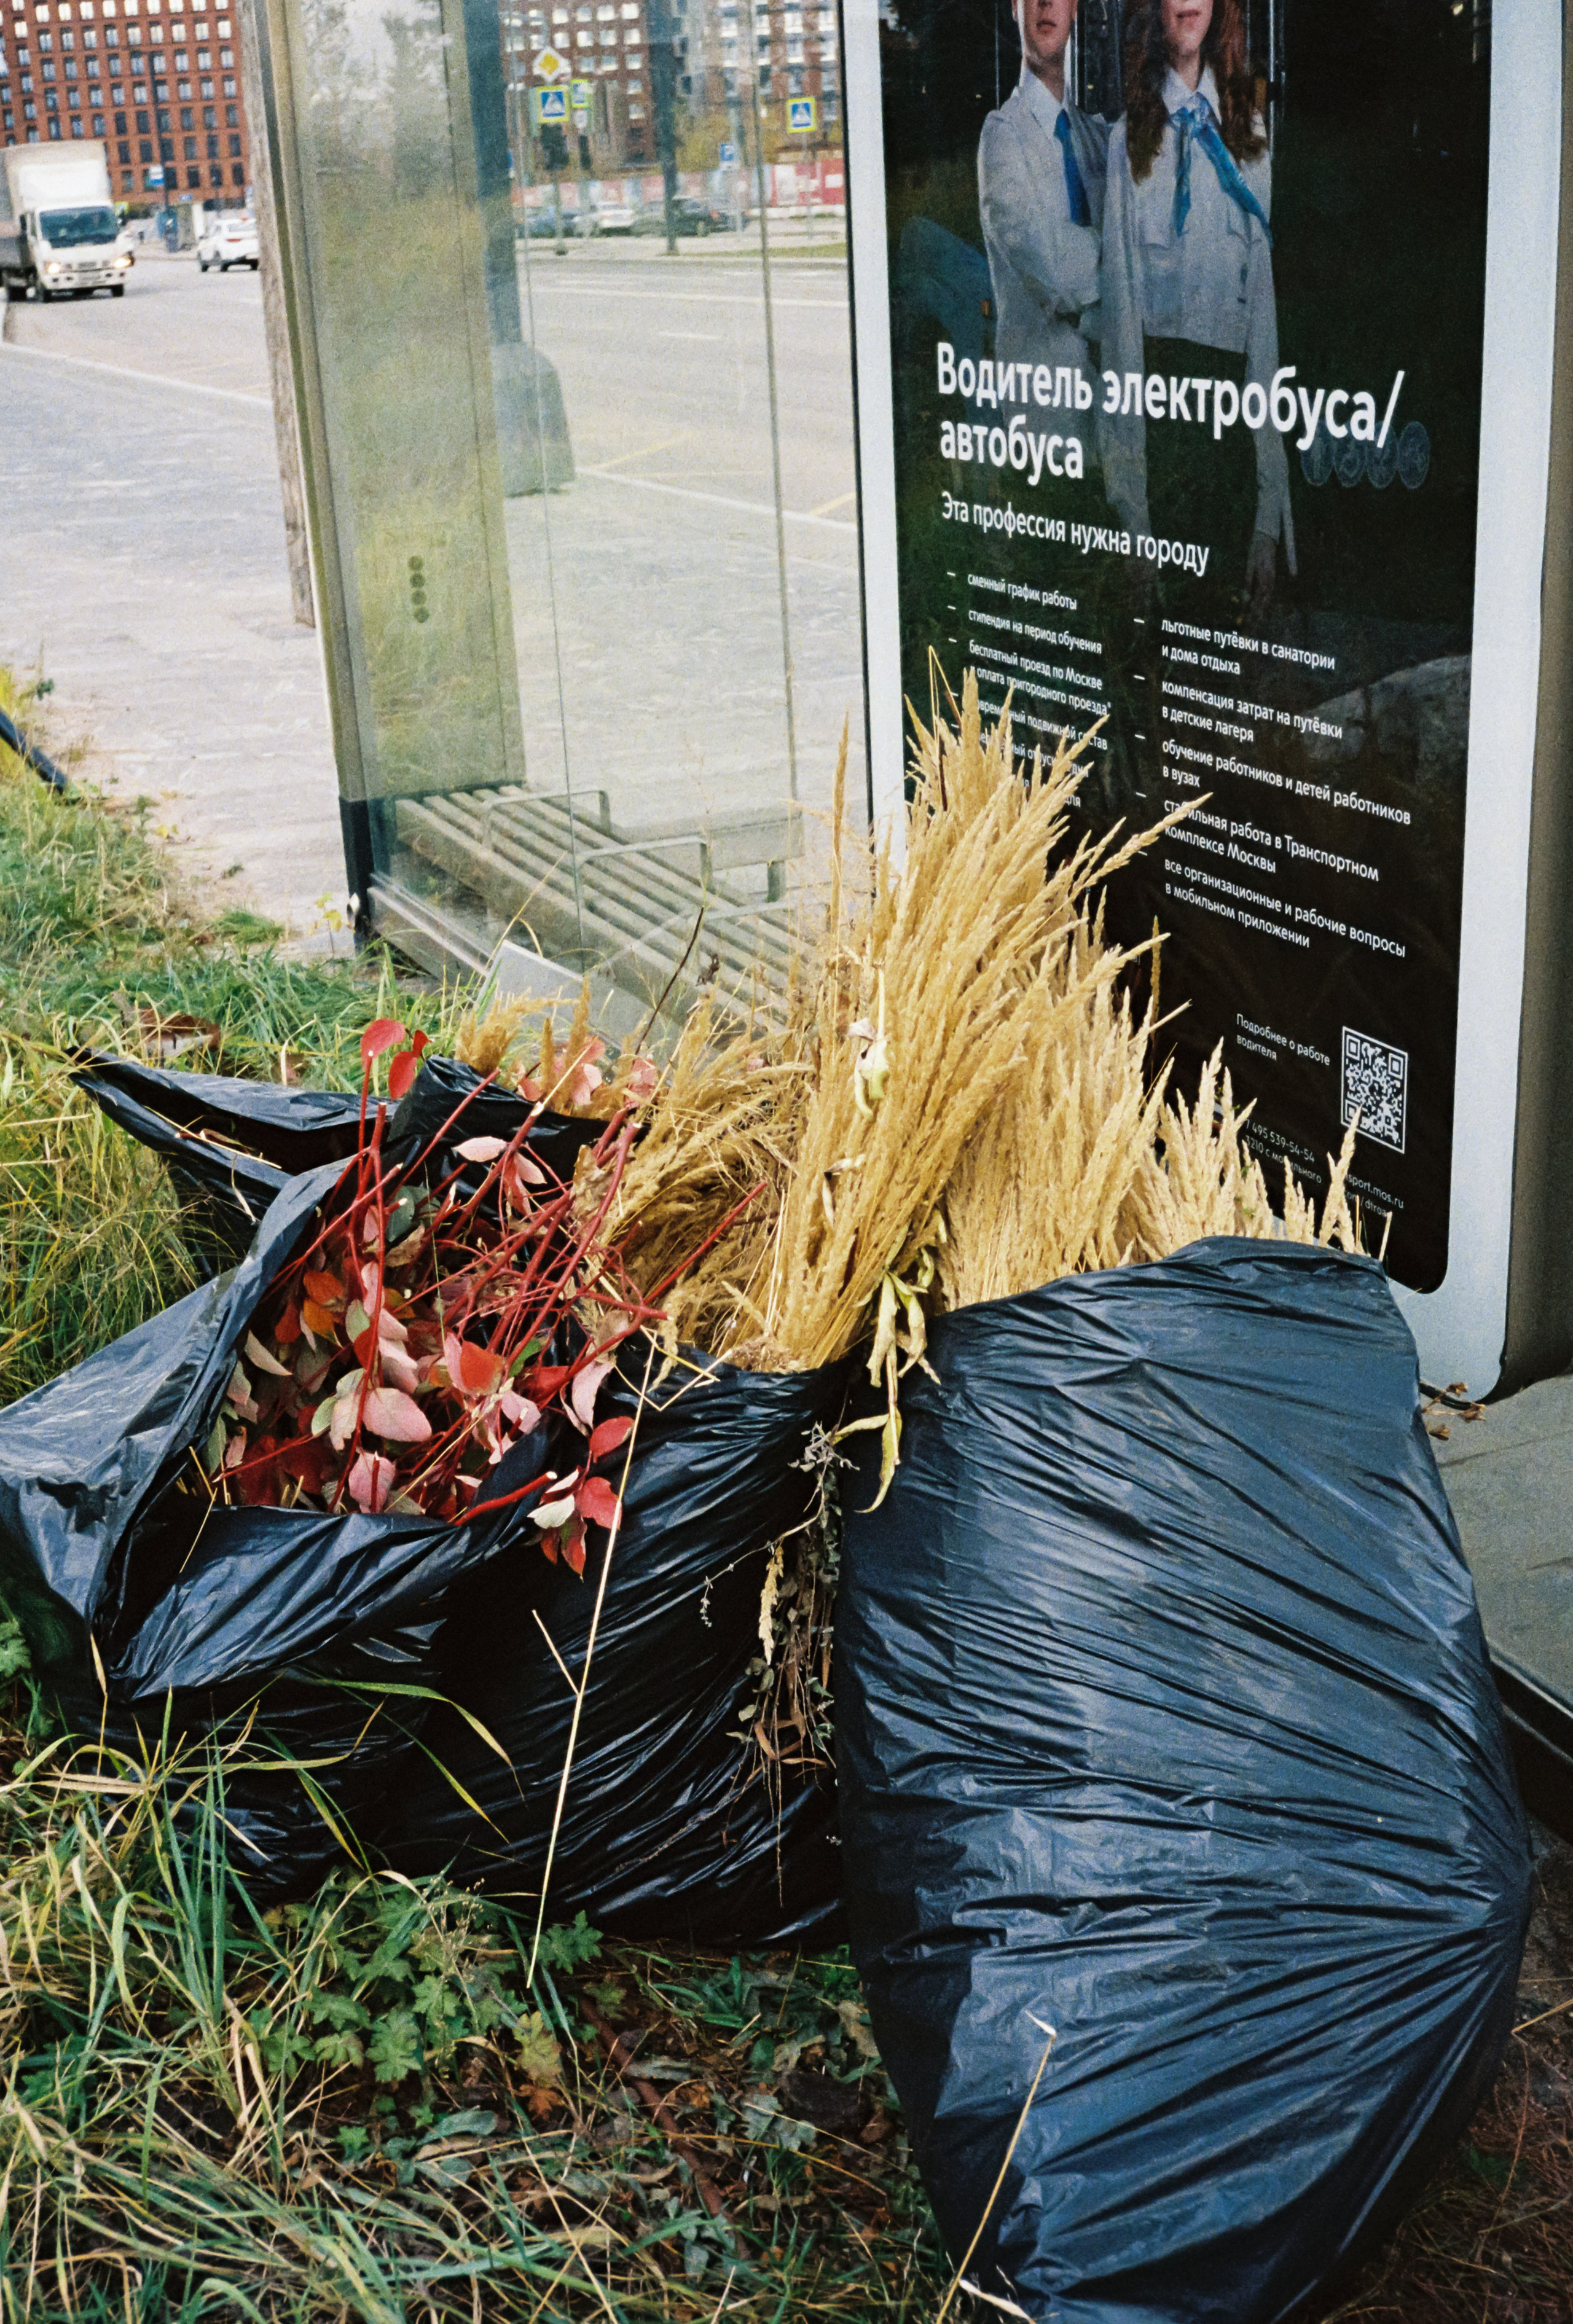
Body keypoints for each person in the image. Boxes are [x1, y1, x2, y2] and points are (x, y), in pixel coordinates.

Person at [1099, 0, 1293, 618]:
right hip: (1165, 459)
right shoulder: (1125, 143)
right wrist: (1133, 525)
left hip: (1232, 459)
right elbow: (1120, 347)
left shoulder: (1251, 137)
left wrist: (1267, 522)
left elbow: (1263, 341)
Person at [977, 0, 1109, 465]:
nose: (1046, 3)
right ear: (1015, 8)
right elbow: (1056, 274)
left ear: (1076, 9)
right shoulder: (1002, 136)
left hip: (1109, 415)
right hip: (1044, 428)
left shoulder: (1095, 136)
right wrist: (1117, 257)